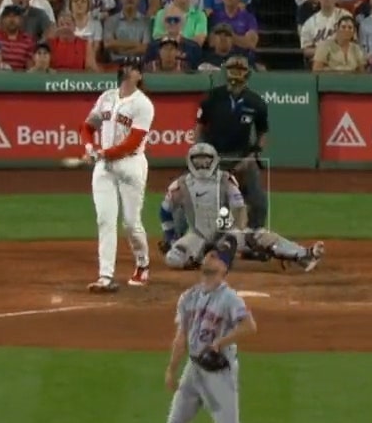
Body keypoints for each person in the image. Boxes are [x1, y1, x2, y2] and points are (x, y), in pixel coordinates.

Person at [137, 238, 269, 423]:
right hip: (193, 371)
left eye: (215, 256)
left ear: (224, 268)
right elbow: (181, 337)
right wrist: (171, 370)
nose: (209, 257)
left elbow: (250, 327)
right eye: (208, 253)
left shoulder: (230, 298)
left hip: (219, 375)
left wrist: (221, 343)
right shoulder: (189, 297)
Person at [157, 143, 325, 271]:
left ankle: (304, 255)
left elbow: (239, 208)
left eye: (206, 160)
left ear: (214, 160)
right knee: (173, 259)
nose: (202, 165)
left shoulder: (225, 180)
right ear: (190, 161)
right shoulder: (181, 184)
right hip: (197, 235)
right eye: (198, 160)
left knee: (259, 236)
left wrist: (239, 232)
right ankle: (204, 256)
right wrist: (170, 237)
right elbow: (165, 211)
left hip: (226, 232)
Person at [76, 60, 155, 292]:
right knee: (105, 220)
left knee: (131, 223)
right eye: (123, 66)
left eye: (131, 67)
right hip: (104, 168)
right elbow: (87, 126)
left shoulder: (143, 104)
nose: (125, 70)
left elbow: (133, 142)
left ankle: (143, 263)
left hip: (131, 165)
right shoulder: (107, 97)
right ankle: (105, 276)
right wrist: (90, 147)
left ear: (139, 75)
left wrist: (102, 152)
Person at [194, 56, 270, 230]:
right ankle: (219, 238)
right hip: (215, 157)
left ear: (247, 73)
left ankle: (253, 238)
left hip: (242, 157)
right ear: (225, 72)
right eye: (232, 68)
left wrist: (253, 156)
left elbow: (262, 132)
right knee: (219, 202)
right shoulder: (213, 97)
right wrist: (199, 151)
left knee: (258, 202)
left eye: (240, 69)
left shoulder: (256, 102)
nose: (236, 72)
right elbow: (199, 126)